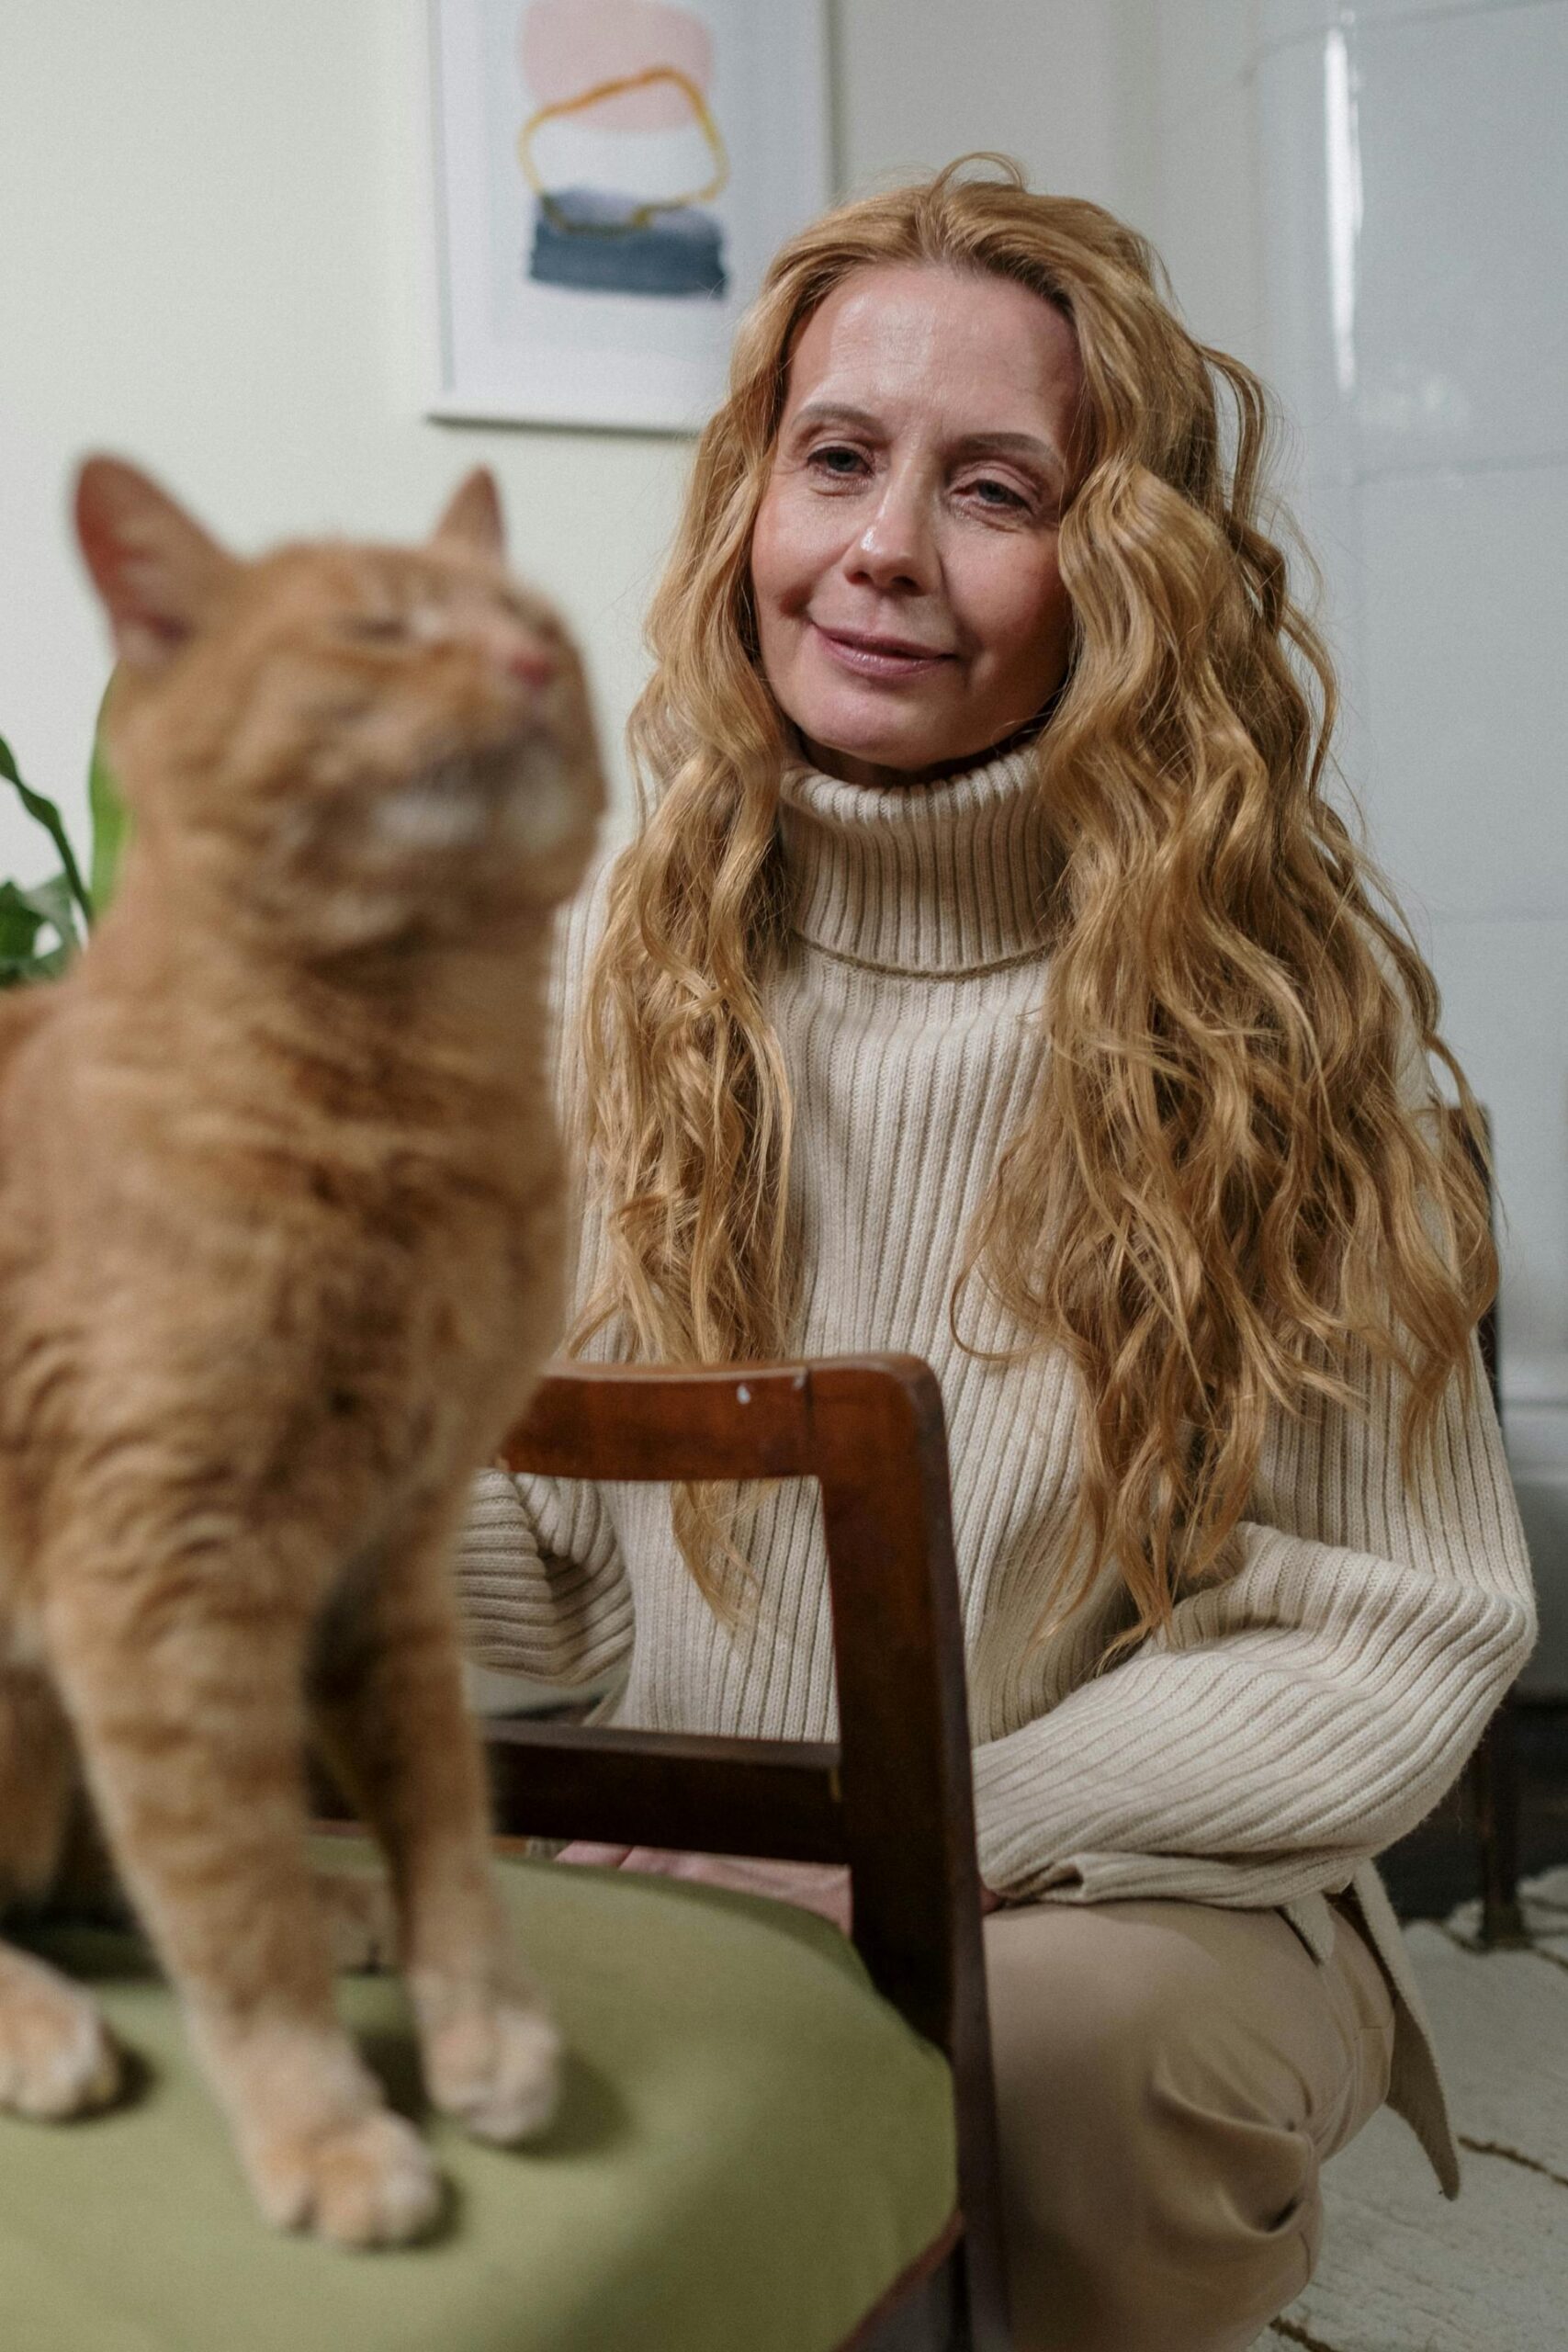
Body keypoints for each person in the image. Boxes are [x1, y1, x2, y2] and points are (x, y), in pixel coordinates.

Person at [454, 158, 1537, 2352]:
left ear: (1118, 561)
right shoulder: (602, 961)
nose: (878, 549)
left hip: (1139, 1877)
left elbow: (1394, 1627)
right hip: (698, 1832)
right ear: (750, 502)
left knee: (1032, 2062)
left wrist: (910, 1833)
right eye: (835, 457)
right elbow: (535, 1538)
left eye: (993, 488)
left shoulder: (1277, 1016)